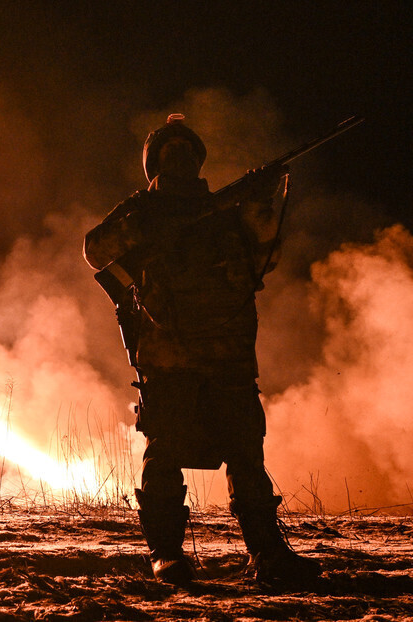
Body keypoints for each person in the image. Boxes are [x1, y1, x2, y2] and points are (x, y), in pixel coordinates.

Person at [83, 114, 321, 587]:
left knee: (246, 455)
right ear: (154, 165)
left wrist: (258, 200)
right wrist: (151, 224)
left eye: (187, 150)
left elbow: (265, 257)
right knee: (165, 455)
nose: (180, 157)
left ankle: (266, 554)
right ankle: (166, 554)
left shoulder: (227, 211)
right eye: (170, 150)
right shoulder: (142, 212)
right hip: (168, 355)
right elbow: (96, 249)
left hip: (227, 355)